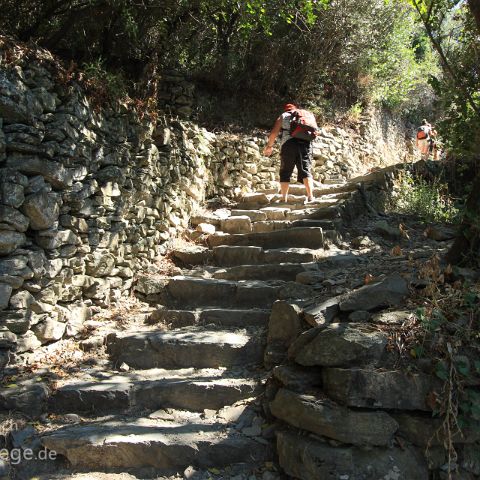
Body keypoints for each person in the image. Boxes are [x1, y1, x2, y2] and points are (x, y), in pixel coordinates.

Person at [263, 103, 315, 203]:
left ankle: (283, 199)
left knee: (285, 171)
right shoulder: (307, 114)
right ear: (295, 109)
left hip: (288, 144)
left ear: (286, 110)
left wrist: (269, 146)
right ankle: (310, 197)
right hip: (305, 144)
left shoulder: (284, 116)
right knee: (305, 169)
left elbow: (274, 132)